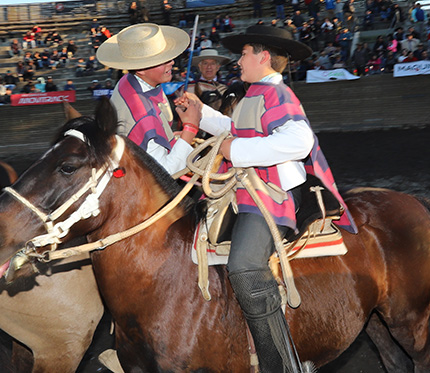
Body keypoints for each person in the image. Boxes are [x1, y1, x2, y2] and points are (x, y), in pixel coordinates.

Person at [176, 25, 357, 372]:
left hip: (270, 198)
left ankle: (283, 365)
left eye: (243, 53)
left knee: (243, 266)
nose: (238, 60)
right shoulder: (254, 93)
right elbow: (236, 129)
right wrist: (200, 113)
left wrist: (236, 150)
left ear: (262, 57)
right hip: (248, 192)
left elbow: (299, 140)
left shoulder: (279, 95)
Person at [97, 23, 218, 175]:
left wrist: (168, 136)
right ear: (141, 69)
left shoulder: (127, 81)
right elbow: (166, 173)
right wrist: (190, 127)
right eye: (163, 60)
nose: (172, 62)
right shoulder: (144, 115)